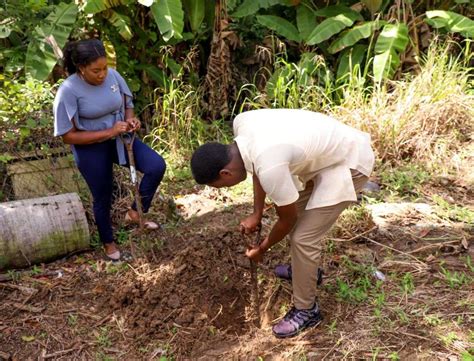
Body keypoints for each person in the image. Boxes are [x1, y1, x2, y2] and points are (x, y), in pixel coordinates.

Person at [190, 109, 374, 338]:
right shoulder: (242, 127)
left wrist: (262, 248)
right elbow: (259, 169)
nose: (226, 189)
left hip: (350, 160)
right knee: (298, 214)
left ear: (225, 173)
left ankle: (307, 310)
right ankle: (304, 272)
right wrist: (256, 213)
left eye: (221, 186)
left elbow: (287, 219)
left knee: (303, 237)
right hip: (325, 155)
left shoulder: (269, 164)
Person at [53, 39, 166, 262]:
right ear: (81, 68)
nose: (102, 74)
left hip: (120, 139)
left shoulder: (113, 76)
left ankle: (135, 214)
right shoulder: (68, 90)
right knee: (103, 195)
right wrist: (108, 132)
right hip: (90, 148)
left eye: (104, 67)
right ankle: (109, 242)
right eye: (96, 70)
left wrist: (131, 121)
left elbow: (127, 103)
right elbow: (68, 136)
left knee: (156, 166)